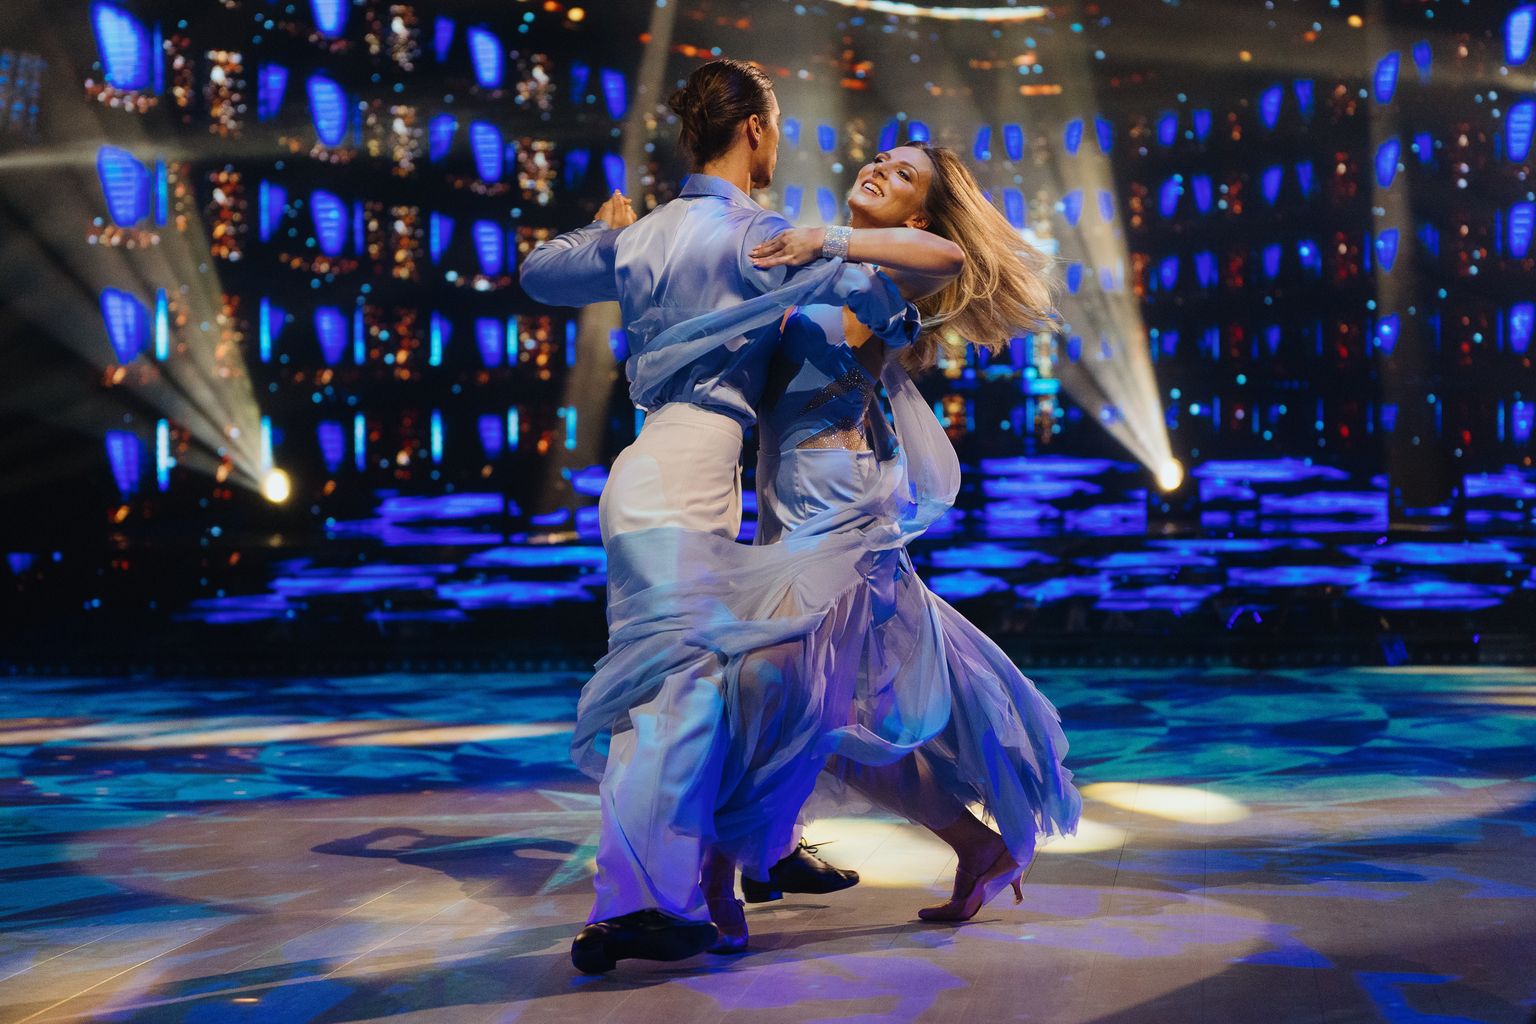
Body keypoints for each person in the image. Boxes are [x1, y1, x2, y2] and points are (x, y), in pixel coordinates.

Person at [520, 59, 966, 973]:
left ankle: (668, 891)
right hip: (689, 471)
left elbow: (541, 273)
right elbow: (913, 278)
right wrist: (842, 255)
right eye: (776, 124)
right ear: (755, 131)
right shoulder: (765, 238)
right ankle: (647, 902)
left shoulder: (647, 234)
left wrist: (609, 233)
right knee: (681, 692)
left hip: (645, 468)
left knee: (681, 687)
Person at [695, 141, 1082, 948]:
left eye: (903, 174)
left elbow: (950, 256)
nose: (877, 169)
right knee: (825, 720)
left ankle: (713, 879)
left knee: (766, 688)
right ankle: (976, 845)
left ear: (919, 215)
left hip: (836, 512)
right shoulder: (815, 269)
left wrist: (825, 238)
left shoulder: (886, 274)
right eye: (877, 159)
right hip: (786, 507)